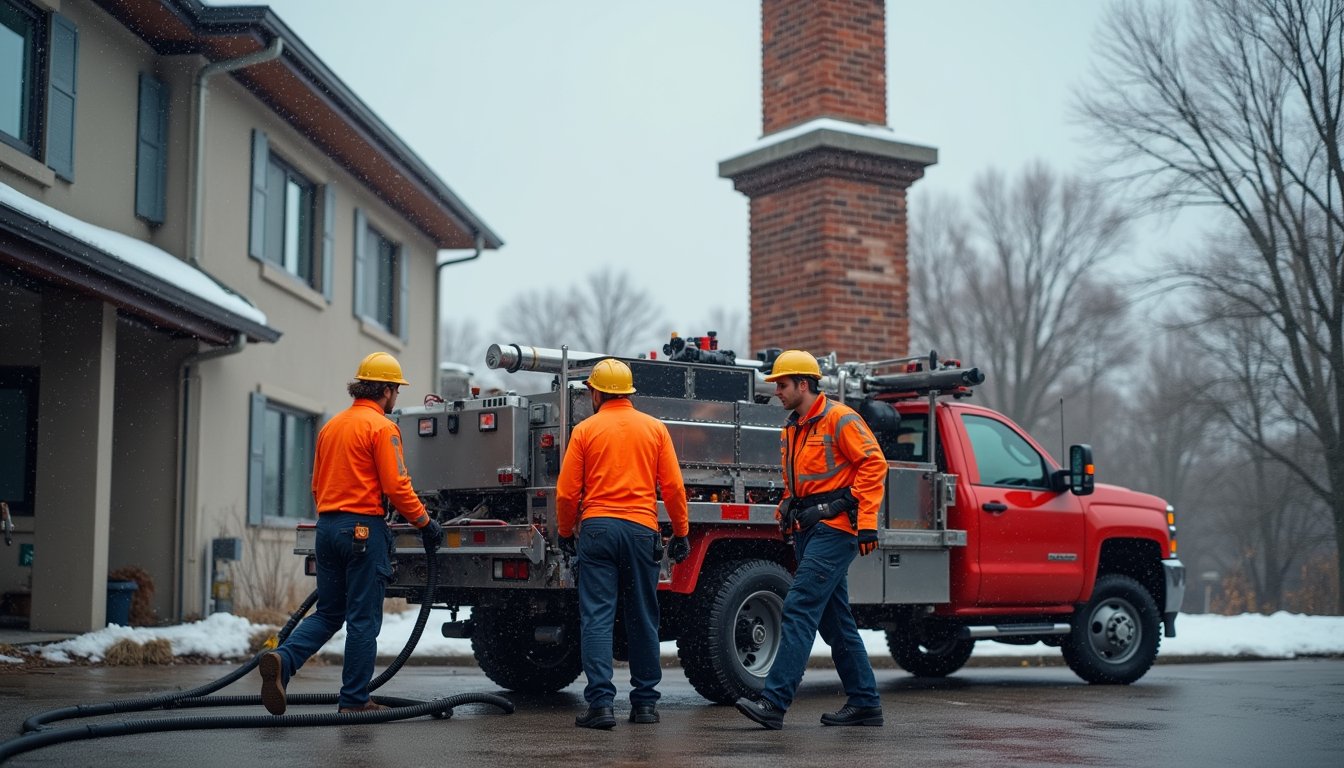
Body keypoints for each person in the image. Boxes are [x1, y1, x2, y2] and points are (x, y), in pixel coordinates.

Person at [258, 351, 441, 716]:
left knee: (328, 613)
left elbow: (315, 484)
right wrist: (425, 523)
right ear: (386, 390)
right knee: (362, 620)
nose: (396, 398)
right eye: (396, 391)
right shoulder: (382, 428)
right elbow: (396, 485)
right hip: (362, 531)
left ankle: (283, 659)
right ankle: (355, 701)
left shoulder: (332, 426)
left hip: (326, 527)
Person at [735, 349, 886, 730]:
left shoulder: (840, 418)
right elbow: (802, 481)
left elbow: (873, 464)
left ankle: (774, 701)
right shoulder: (792, 426)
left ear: (804, 383)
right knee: (836, 624)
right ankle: (866, 702)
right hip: (809, 530)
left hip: (835, 532)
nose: (777, 392)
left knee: (799, 607)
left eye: (782, 385)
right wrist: (786, 507)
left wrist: (867, 521)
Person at [556, 358, 691, 730]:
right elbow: (674, 489)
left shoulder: (585, 430)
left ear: (597, 392)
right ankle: (645, 705)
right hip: (641, 531)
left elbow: (567, 493)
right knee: (643, 616)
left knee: (597, 617)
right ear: (628, 393)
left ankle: (600, 706)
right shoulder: (654, 429)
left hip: (598, 529)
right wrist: (681, 533)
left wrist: (566, 533)